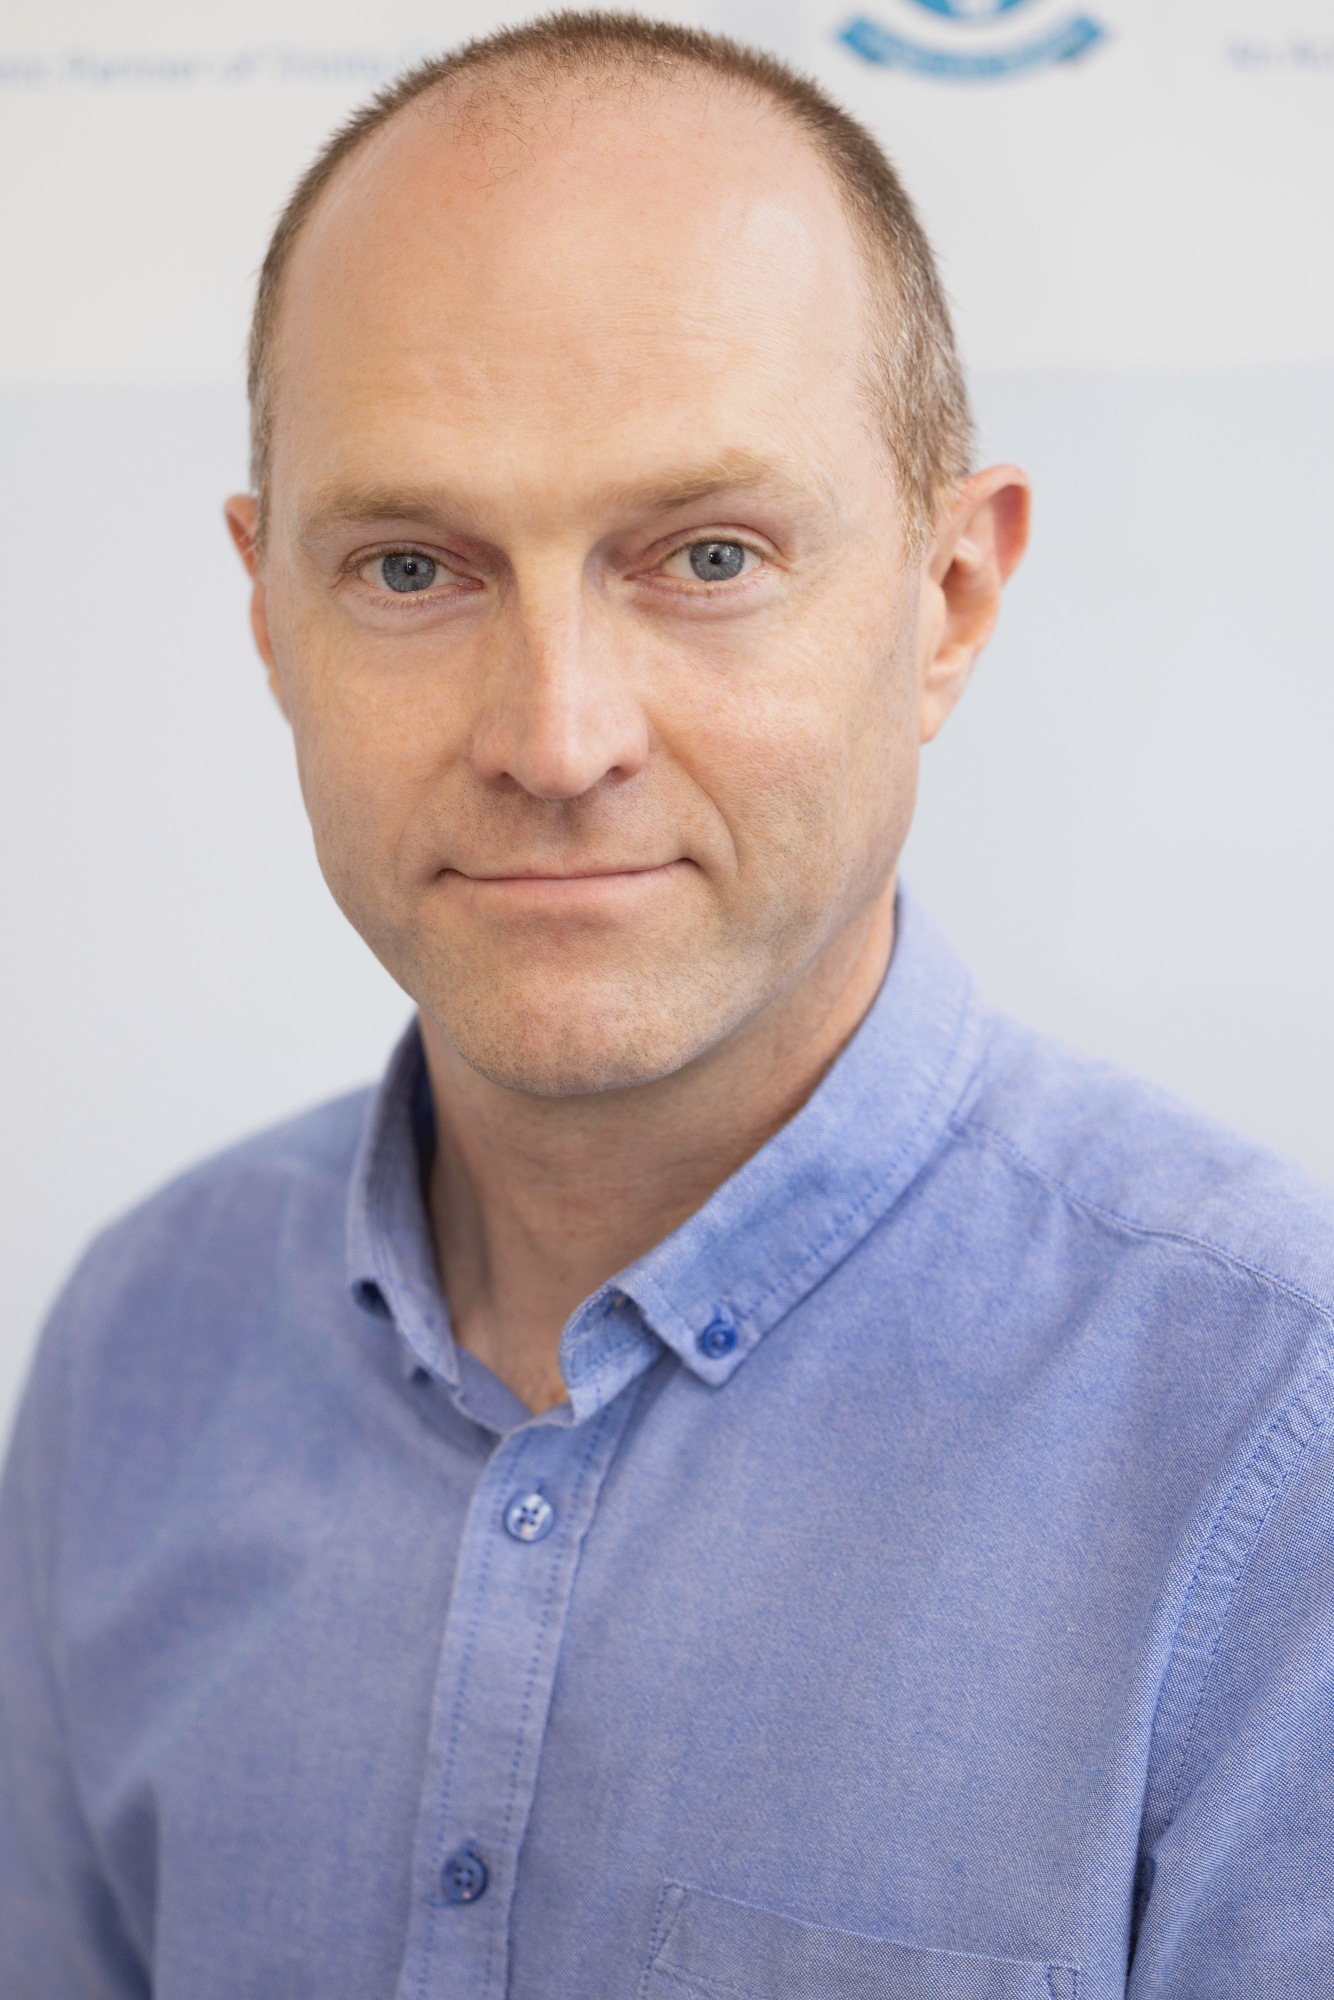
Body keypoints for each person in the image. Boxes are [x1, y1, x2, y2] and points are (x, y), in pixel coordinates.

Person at [3, 12, 1333, 1996]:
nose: (557, 738)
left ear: (949, 599)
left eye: (707, 554)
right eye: (411, 569)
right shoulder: (137, 1346)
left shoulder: (1271, 1436)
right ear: (268, 610)